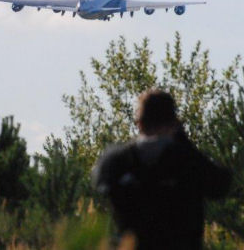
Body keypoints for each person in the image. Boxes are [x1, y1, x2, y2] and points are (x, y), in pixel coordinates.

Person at [92, 89, 231, 250]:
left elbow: (100, 180)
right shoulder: (187, 160)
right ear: (173, 123)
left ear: (140, 124)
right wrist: (183, 141)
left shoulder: (119, 162)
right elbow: (220, 185)